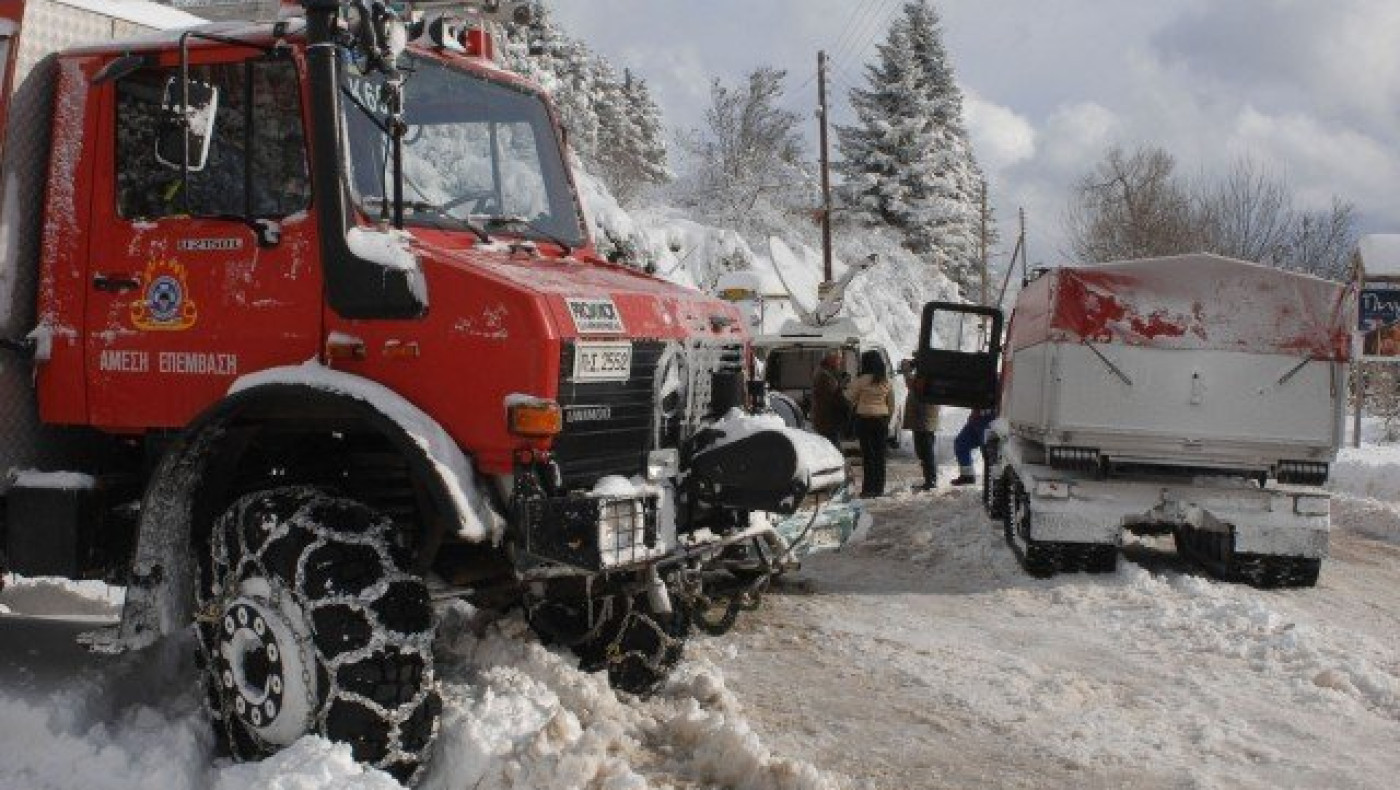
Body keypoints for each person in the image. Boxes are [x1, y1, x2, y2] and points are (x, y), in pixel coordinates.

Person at [846, 350, 895, 497]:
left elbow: (849, 397)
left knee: (868, 456)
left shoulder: (861, 381)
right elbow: (891, 404)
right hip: (881, 420)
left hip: (865, 420)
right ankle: (879, 488)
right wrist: (887, 419)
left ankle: (868, 489)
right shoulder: (886, 381)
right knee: (880, 455)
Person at [902, 359, 940, 490]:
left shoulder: (927, 377)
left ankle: (931, 480)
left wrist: (907, 371)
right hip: (923, 419)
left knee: (925, 451)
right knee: (923, 451)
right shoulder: (930, 375)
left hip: (924, 419)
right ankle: (929, 479)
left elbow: (913, 385)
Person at [809, 350, 847, 446]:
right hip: (827, 420)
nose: (841, 361)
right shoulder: (824, 375)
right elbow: (832, 396)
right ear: (831, 359)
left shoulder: (825, 372)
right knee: (833, 447)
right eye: (839, 358)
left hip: (825, 419)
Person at [951, 408, 996, 486]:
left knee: (987, 451)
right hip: (977, 417)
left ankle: (992, 481)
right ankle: (967, 475)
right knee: (961, 443)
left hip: (990, 418)